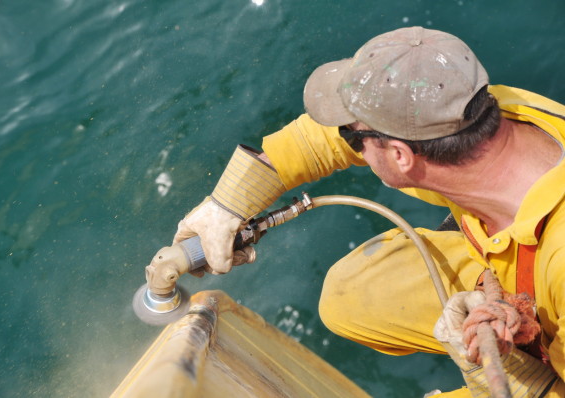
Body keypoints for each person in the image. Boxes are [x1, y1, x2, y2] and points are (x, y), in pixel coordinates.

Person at [173, 26, 565, 396]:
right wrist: (228, 203)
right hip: (510, 261)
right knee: (347, 297)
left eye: (352, 136)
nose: (346, 141)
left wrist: (486, 368)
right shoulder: (490, 110)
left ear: (400, 155)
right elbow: (332, 134)